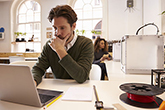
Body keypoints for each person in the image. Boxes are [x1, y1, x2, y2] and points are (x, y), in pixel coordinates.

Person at [32, 5, 94, 86]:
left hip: (81, 89)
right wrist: (33, 81)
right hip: (59, 89)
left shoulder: (86, 43)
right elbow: (38, 68)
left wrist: (60, 50)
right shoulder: (49, 45)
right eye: (55, 28)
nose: (57, 33)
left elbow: (82, 77)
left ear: (73, 26)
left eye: (62, 28)